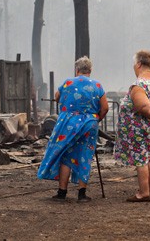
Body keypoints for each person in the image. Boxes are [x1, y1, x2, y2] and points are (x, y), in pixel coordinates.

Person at [37, 56, 109, 202]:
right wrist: (95, 119)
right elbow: (105, 108)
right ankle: (82, 194)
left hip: (68, 123)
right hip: (89, 123)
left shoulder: (68, 83)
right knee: (85, 155)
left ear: (77, 70)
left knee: (65, 156)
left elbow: (57, 97)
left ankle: (62, 192)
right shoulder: (98, 86)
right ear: (90, 70)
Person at [114, 50, 150, 202]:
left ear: (138, 64)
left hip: (139, 129)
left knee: (141, 159)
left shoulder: (139, 84)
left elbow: (144, 107)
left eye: (134, 64)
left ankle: (143, 193)